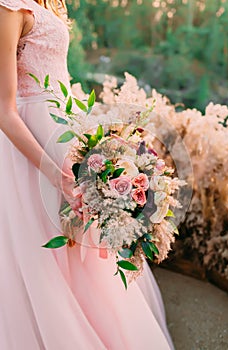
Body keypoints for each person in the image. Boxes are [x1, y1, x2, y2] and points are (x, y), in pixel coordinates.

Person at [0, 1, 174, 349]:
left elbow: (59, 77)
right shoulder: (10, 8)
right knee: (43, 254)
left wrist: (94, 135)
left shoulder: (50, 3)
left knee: (87, 251)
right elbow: (4, 111)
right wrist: (53, 172)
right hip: (32, 150)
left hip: (66, 133)